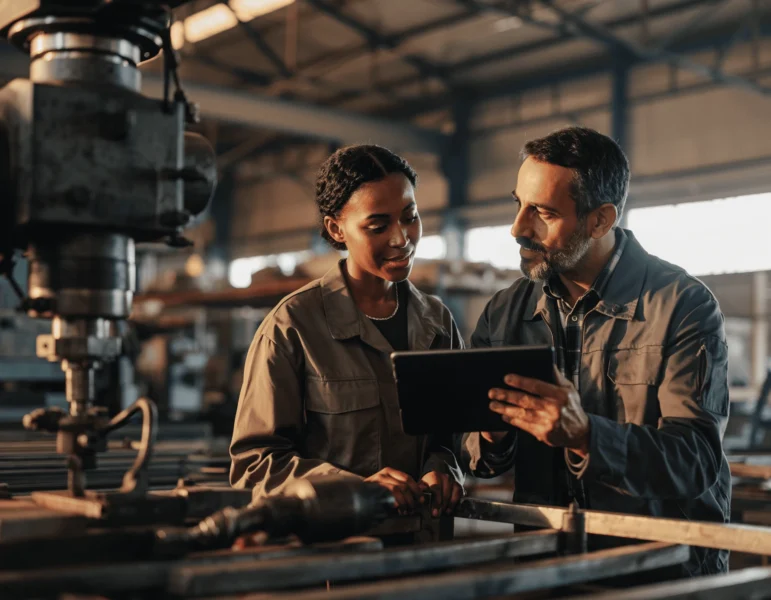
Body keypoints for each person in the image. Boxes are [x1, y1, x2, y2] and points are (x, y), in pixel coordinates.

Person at [459, 127, 730, 577]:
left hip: (655, 573)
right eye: (518, 204)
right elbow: (476, 453)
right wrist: (490, 436)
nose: (518, 228)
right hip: (545, 568)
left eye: (543, 213)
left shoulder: (682, 306)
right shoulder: (507, 312)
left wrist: (587, 436)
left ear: (600, 220)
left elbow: (695, 462)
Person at [231, 144, 463, 517]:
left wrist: (444, 468)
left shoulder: (437, 323)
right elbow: (254, 467)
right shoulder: (292, 328)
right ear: (336, 229)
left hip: (426, 548)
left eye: (410, 216)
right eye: (378, 225)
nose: (401, 238)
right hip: (339, 555)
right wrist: (352, 487)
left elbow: (452, 438)